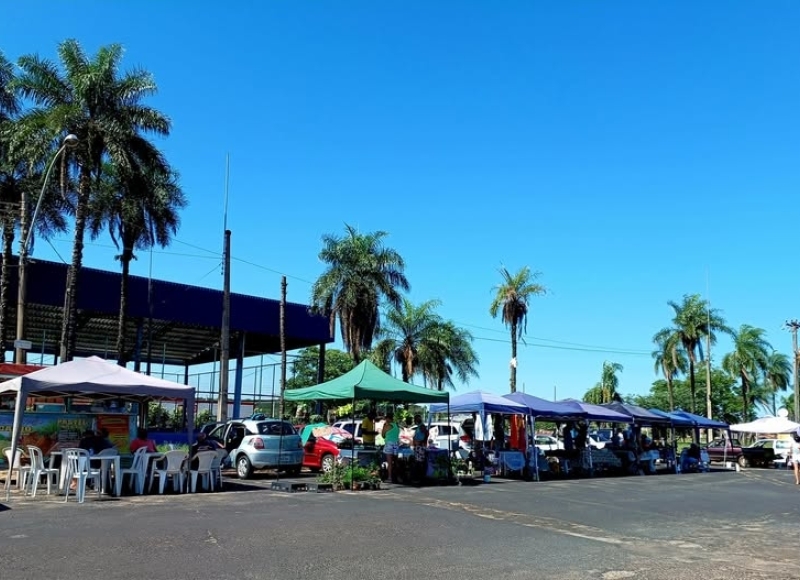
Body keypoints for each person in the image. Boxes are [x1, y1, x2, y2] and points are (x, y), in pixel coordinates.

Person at [382, 412, 400, 483]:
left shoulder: (387, 426)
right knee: (395, 461)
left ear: (388, 419)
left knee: (389, 462)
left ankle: (390, 478)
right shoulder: (396, 425)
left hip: (389, 443)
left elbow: (383, 435)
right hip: (396, 443)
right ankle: (397, 477)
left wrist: (384, 427)